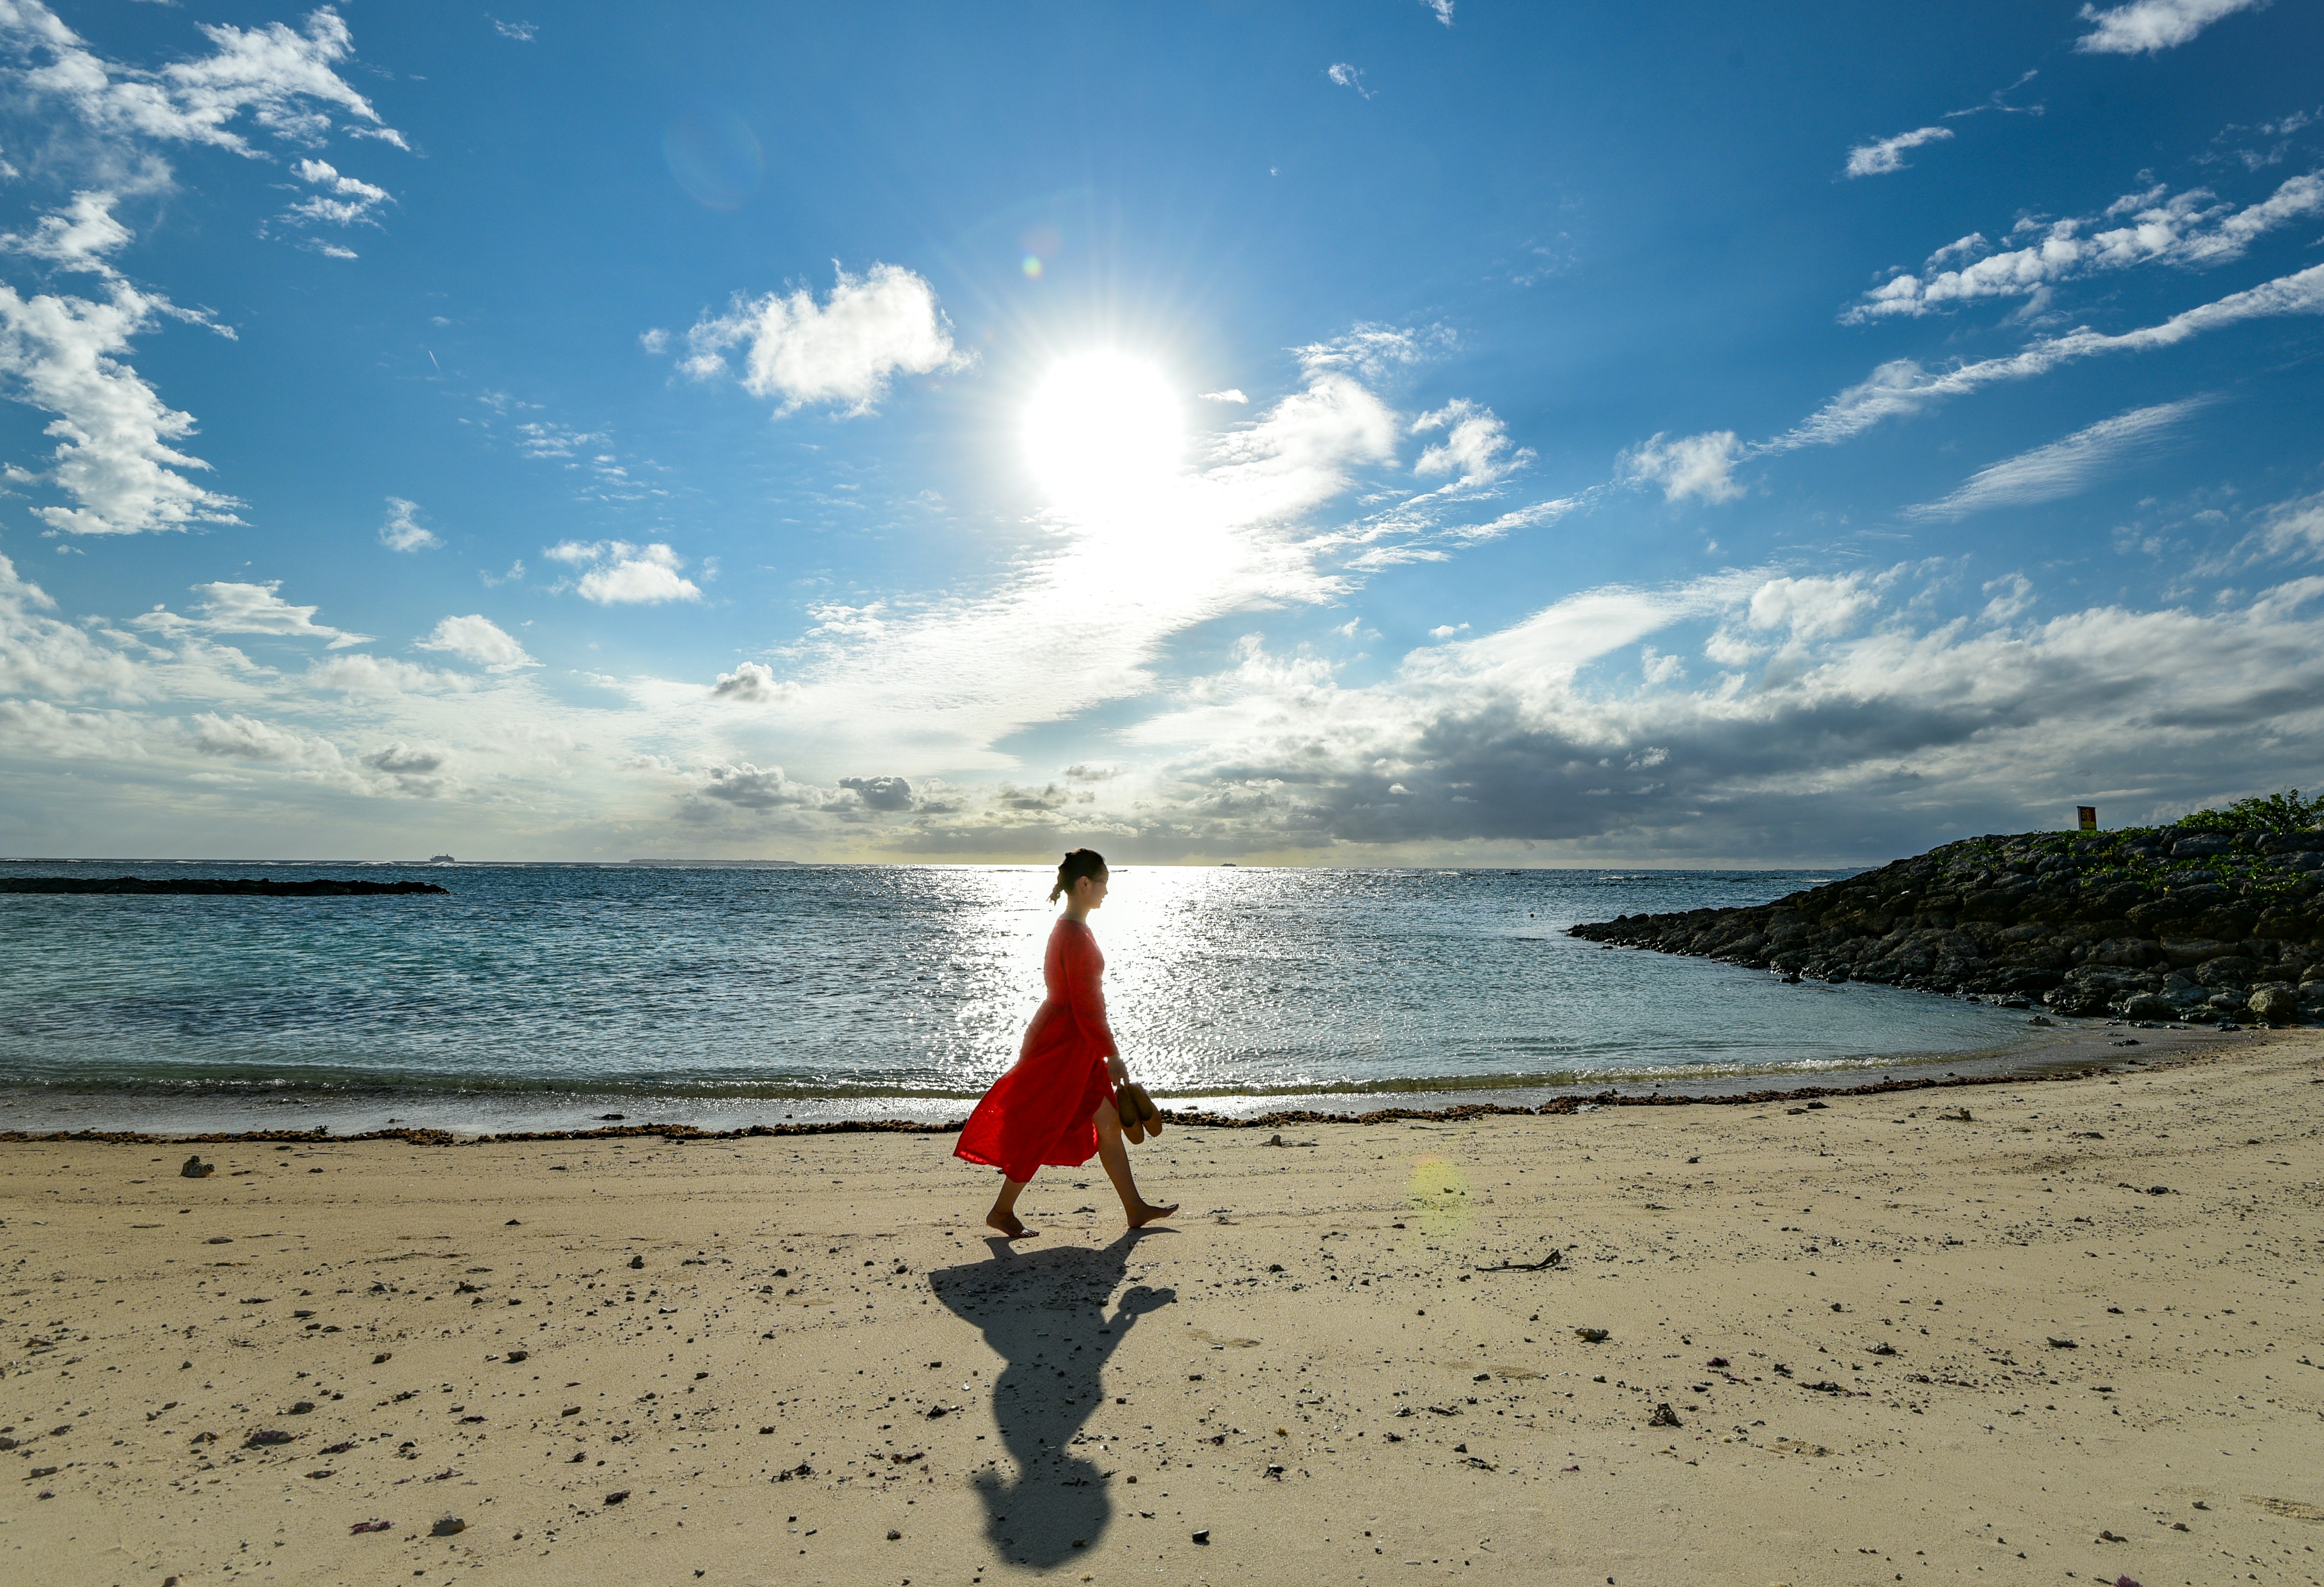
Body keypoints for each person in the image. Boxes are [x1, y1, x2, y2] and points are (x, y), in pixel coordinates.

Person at [954, 849, 1177, 1238]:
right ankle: (1002, 1210)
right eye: (1104, 882)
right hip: (1067, 1043)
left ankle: (1135, 1208)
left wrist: (1100, 1050)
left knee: (1108, 1123)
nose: (1108, 891)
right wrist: (1113, 1055)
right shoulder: (1074, 935)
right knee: (1043, 1123)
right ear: (1085, 884)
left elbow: (1081, 1002)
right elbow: (1088, 1006)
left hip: (1071, 1038)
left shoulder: (1072, 927)